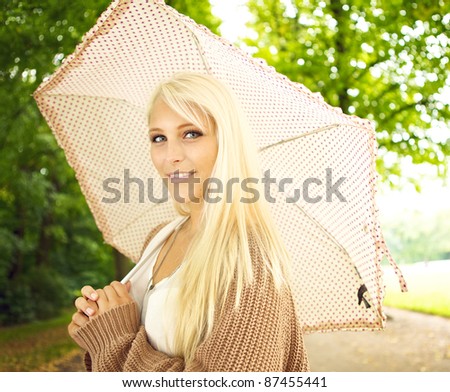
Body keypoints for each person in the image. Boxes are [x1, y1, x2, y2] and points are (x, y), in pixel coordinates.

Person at [68, 72, 309, 372]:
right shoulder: (160, 238)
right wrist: (99, 327)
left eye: (191, 134)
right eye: (159, 138)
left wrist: (115, 337)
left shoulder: (250, 258)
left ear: (226, 143)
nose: (170, 156)